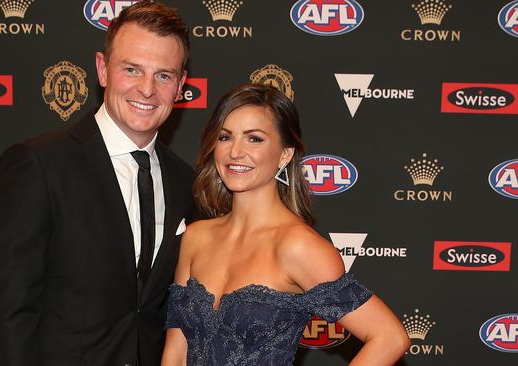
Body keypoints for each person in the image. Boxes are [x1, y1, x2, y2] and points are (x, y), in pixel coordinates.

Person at [0, 2, 194, 365]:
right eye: (132, 69)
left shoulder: (185, 180)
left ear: (180, 85)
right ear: (102, 69)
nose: (147, 89)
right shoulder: (38, 164)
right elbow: (10, 314)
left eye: (163, 75)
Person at [161, 84, 410, 366]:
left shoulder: (298, 246)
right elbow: (176, 349)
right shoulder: (196, 237)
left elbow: (390, 337)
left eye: (254, 139)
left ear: (284, 154)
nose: (235, 152)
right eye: (225, 137)